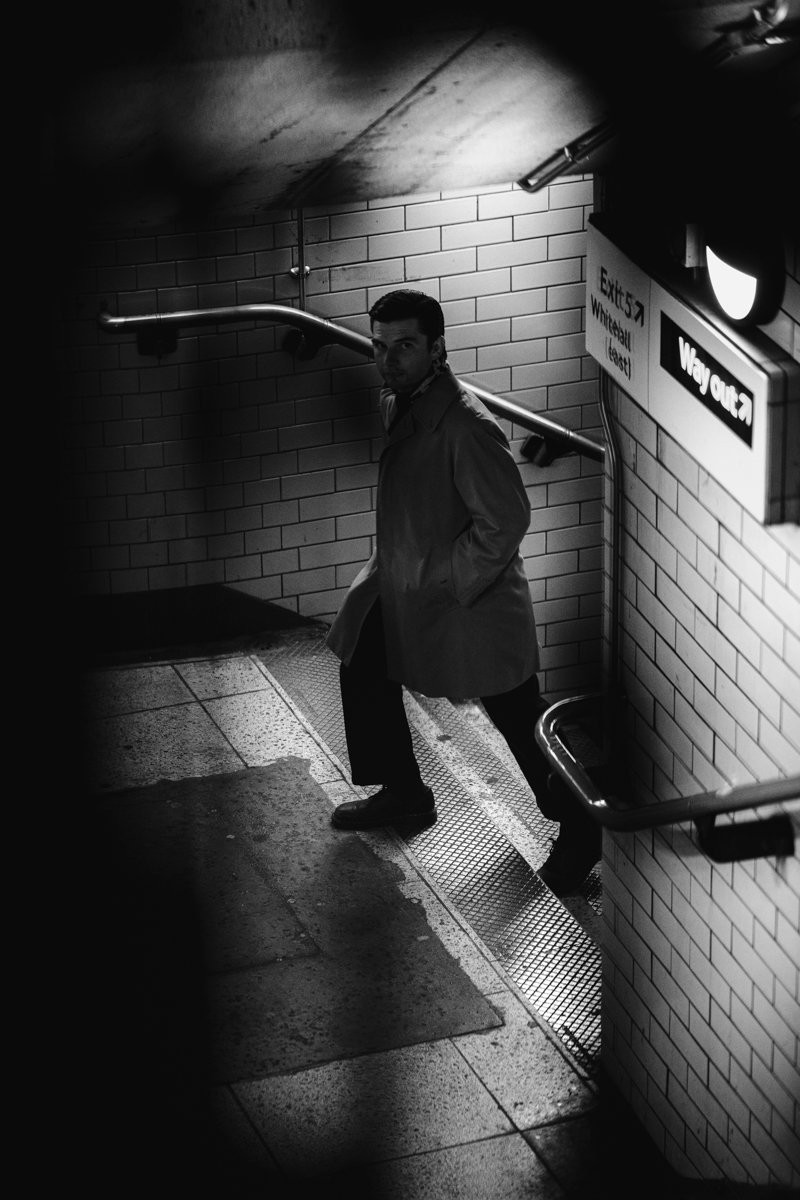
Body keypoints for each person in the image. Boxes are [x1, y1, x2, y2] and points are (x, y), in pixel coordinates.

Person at [325, 289, 600, 896]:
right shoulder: (399, 402)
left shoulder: (467, 426)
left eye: (405, 346)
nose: (388, 358)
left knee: (521, 723)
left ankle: (582, 831)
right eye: (379, 344)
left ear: (437, 348)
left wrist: (442, 575)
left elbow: (505, 520)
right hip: (403, 582)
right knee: (362, 657)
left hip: (473, 608)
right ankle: (403, 788)